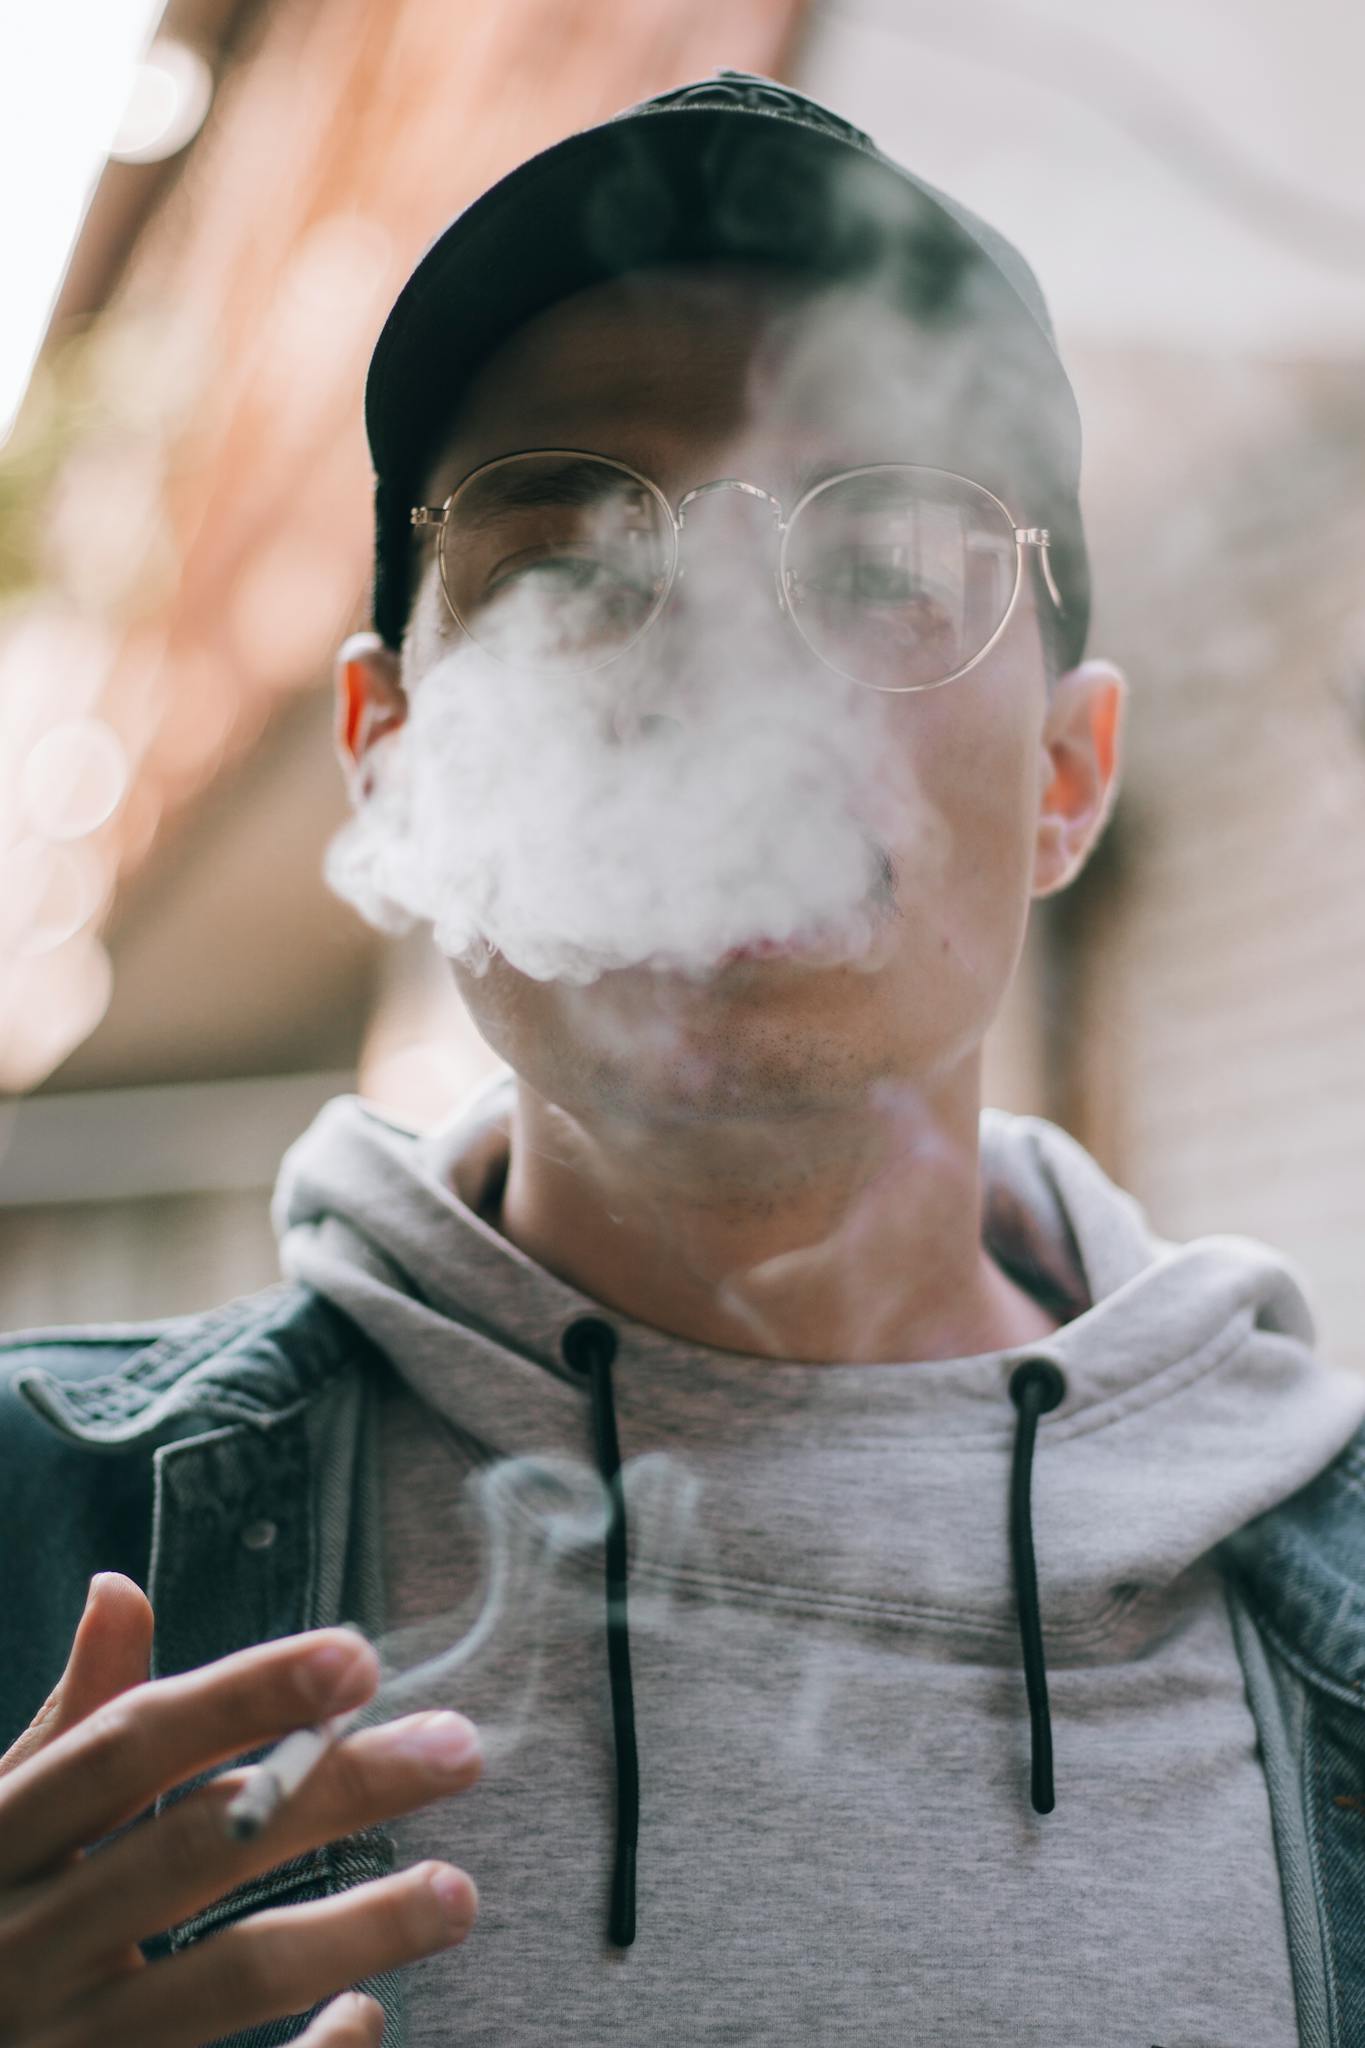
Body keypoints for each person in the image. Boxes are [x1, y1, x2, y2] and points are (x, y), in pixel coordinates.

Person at [3, 70, 1365, 2048]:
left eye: (884, 562)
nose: (722, 663)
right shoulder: (36, 1534)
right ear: (382, 743)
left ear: (1067, 776)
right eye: (565, 567)